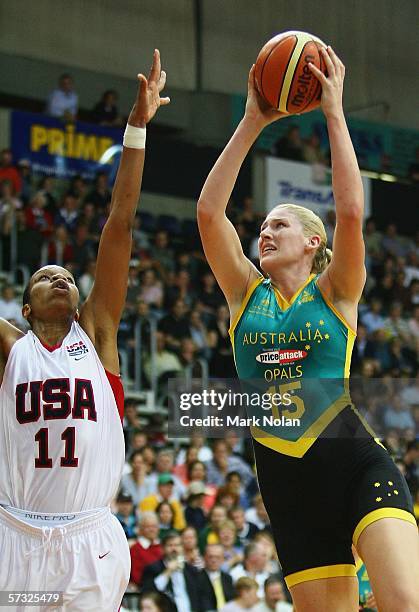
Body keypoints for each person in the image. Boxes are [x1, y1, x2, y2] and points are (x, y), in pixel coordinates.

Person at [197, 46, 419, 611]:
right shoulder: (244, 294)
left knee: (403, 601)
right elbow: (208, 212)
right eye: (262, 227)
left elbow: (350, 212)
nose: (263, 234)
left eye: (278, 225)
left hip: (353, 463)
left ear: (312, 242)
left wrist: (334, 111)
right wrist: (253, 120)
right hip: (286, 483)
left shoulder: (338, 291)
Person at [0, 50, 170, 610]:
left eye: (67, 277)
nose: (59, 279)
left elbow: (119, 222)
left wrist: (136, 131)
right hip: (14, 536)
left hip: (90, 538)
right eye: (45, 277)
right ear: (25, 308)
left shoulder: (97, 334)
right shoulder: (10, 350)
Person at [142, 531, 201, 612]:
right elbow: (151, 592)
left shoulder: (191, 570)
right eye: (170, 545)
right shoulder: (153, 569)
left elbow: (199, 596)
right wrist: (168, 571)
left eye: (177, 545)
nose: (174, 549)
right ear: (163, 548)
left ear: (182, 548)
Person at [198, 543, 235, 611]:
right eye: (210, 557)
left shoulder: (228, 578)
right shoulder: (197, 578)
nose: (214, 560)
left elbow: (232, 601)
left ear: (223, 559)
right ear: (204, 558)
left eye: (217, 557)